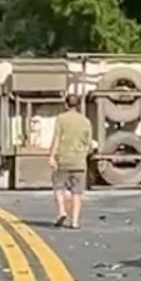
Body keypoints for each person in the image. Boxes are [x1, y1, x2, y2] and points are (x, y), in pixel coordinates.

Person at [48, 93, 92, 229]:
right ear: (78, 105)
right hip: (79, 161)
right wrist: (83, 154)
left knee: (59, 188)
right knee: (77, 192)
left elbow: (57, 139)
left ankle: (62, 212)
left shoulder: (61, 119)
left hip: (63, 159)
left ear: (66, 104)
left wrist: (51, 156)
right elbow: (89, 144)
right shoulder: (86, 121)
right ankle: (75, 222)